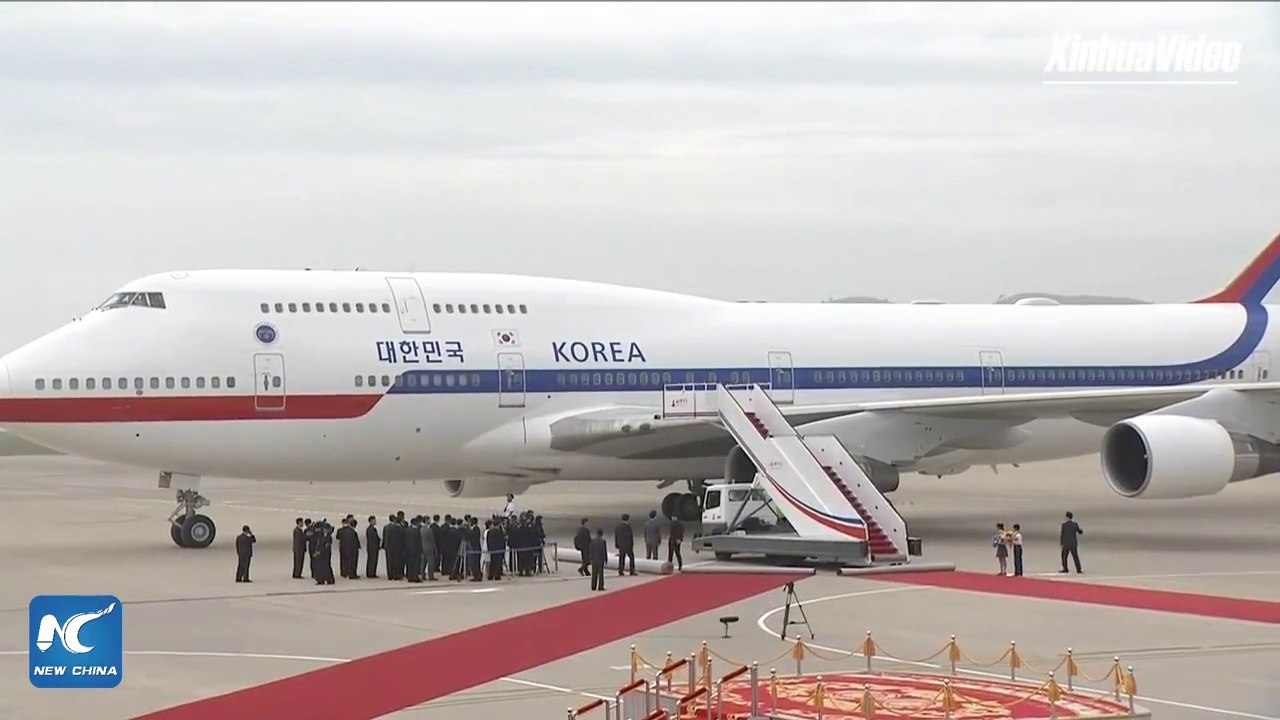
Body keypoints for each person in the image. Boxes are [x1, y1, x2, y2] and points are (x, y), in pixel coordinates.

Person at [405, 516, 423, 583]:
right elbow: (418, 541)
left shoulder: (407, 530)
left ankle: (410, 576)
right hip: (416, 550)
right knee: (415, 564)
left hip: (409, 550)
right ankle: (415, 577)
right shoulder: (416, 531)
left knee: (410, 564)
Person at [420, 515, 437, 581]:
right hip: (429, 548)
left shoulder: (420, 529)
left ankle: (422, 575)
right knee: (430, 563)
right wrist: (434, 547)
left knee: (423, 563)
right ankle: (431, 576)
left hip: (422, 548)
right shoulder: (429, 530)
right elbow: (432, 540)